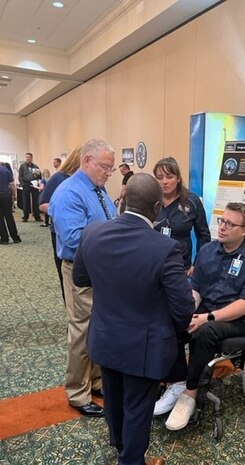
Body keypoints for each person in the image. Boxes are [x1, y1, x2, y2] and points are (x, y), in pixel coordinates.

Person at [73, 173, 195, 465]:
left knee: (113, 398)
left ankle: (119, 446)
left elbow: (80, 278)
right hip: (144, 345)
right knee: (138, 407)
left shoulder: (92, 232)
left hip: (104, 336)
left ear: (124, 199)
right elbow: (184, 308)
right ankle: (131, 460)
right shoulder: (165, 248)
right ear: (156, 208)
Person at [163, 202, 245, 431]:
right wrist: (187, 311)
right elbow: (197, 290)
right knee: (171, 320)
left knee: (206, 331)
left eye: (230, 224)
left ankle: (190, 394)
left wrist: (207, 318)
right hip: (210, 311)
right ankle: (177, 381)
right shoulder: (207, 251)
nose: (222, 227)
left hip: (243, 321)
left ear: (244, 230)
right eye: (222, 221)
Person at [49, 139, 117, 417]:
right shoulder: (68, 193)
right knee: (82, 331)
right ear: (87, 161)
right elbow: (75, 239)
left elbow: (111, 221)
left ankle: (97, 381)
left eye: (111, 169)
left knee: (99, 327)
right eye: (105, 167)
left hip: (103, 270)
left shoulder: (98, 189)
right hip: (81, 269)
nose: (108, 173)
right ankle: (78, 392)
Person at [152, 156, 211, 416]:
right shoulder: (151, 201)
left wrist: (197, 265)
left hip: (181, 273)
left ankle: (179, 378)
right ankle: (161, 372)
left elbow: (204, 237)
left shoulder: (191, 202)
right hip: (153, 272)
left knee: (177, 323)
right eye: (160, 177)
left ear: (178, 177)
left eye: (169, 176)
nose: (164, 182)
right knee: (155, 322)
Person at [39, 147, 82, 302]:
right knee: (66, 276)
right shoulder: (59, 178)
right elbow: (42, 204)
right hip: (60, 233)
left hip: (83, 234)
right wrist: (64, 211)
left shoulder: (92, 180)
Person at [0, 163, 21, 244]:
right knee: (9, 216)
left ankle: (4, 238)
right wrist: (14, 195)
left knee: (0, 218)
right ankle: (15, 237)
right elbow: (12, 185)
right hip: (6, 195)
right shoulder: (6, 170)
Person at [18, 152, 42, 222]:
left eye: (29, 157)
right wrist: (22, 184)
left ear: (32, 158)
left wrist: (38, 175)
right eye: (27, 157)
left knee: (35, 201)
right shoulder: (22, 166)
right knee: (26, 201)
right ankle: (25, 217)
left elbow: (39, 177)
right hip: (26, 184)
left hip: (34, 185)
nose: (28, 158)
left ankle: (37, 216)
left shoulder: (35, 166)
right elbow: (20, 176)